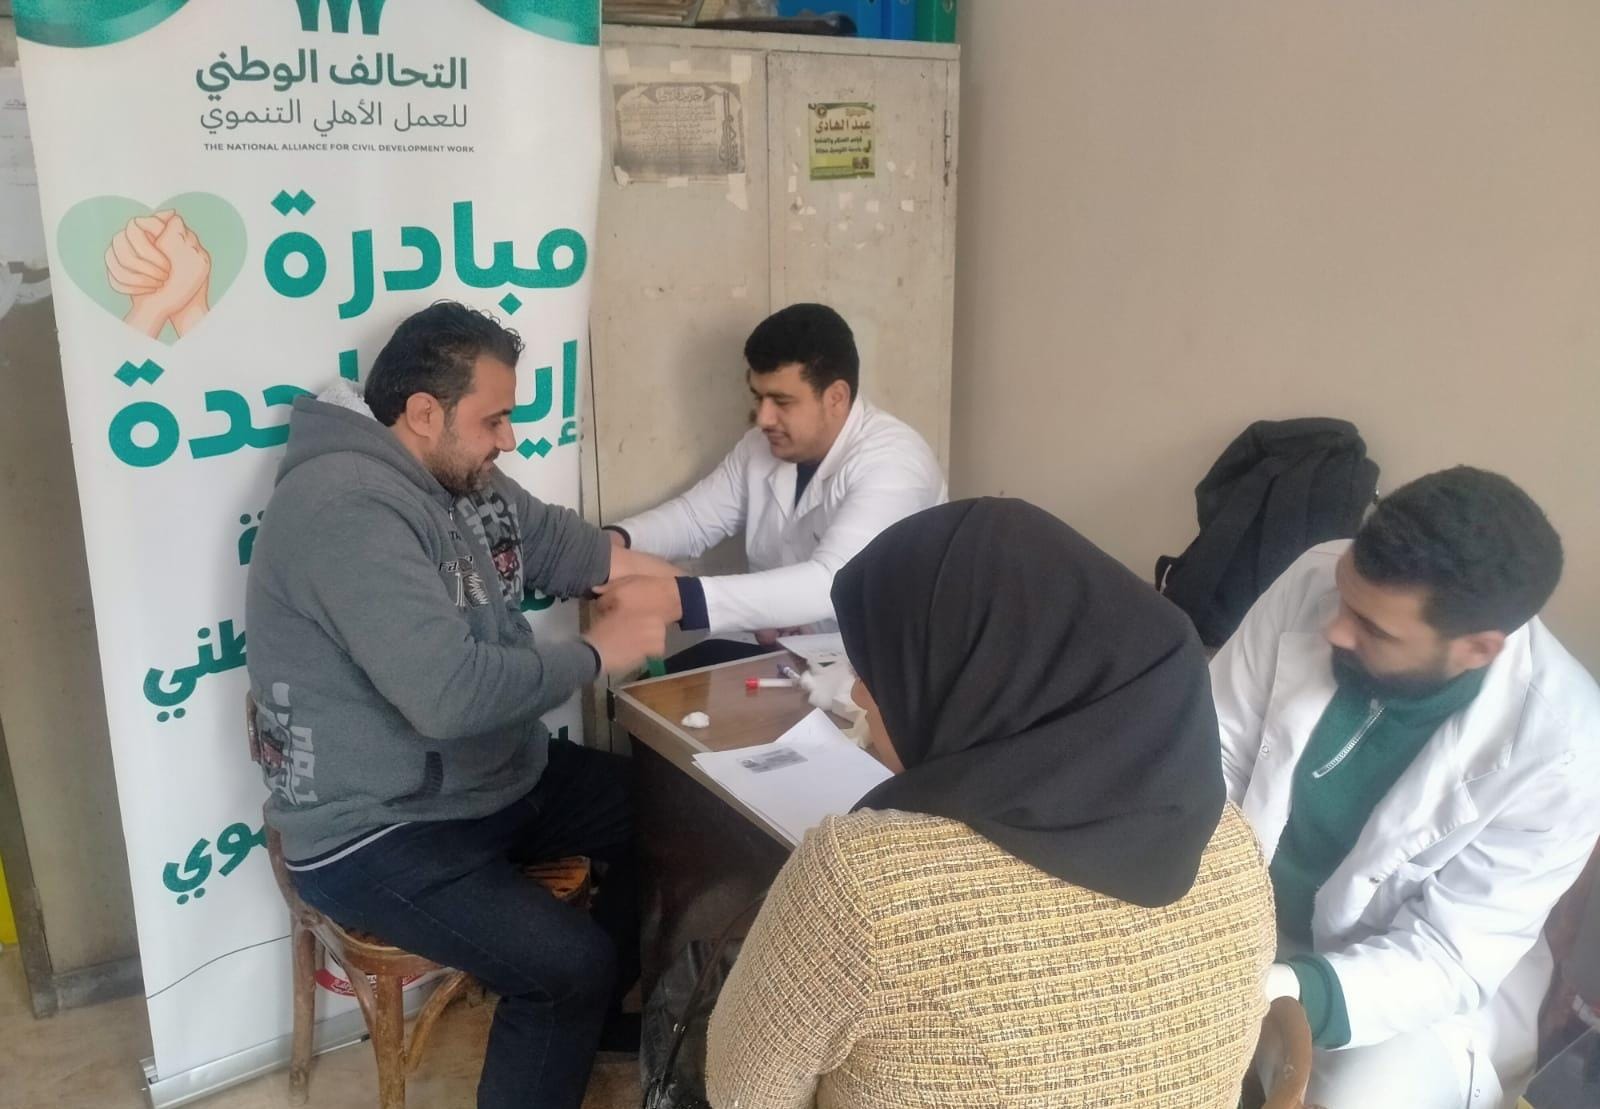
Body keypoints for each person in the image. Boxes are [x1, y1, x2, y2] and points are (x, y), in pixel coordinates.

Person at [245, 301, 679, 1109]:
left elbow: (574, 550)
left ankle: (588, 1026)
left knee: (670, 812)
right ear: (423, 412)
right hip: (376, 826)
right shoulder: (345, 507)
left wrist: (710, 596)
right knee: (566, 966)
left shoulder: (459, 477)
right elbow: (446, 695)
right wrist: (596, 654)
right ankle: (575, 1006)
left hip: (488, 780)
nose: (508, 438)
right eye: (494, 419)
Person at [706, 498, 1276, 1108]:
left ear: (977, 681)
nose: (863, 695)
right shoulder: (1233, 843)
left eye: (884, 669)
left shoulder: (861, 884)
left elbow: (743, 1096)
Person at [1209, 466, 1600, 1109]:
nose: (1335, 629)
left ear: (1478, 649)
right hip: (1242, 913)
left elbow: (1447, 953)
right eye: (1344, 597)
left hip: (1394, 983)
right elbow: (1213, 752)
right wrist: (1200, 920)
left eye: (1375, 629)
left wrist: (1279, 989)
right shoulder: (1316, 576)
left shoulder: (1565, 751)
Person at [598, 303, 945, 669]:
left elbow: (831, 582)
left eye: (781, 401)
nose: (763, 418)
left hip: (872, 670)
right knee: (652, 694)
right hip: (782, 652)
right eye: (758, 397)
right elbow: (694, 519)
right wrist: (610, 544)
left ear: (836, 397)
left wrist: (681, 598)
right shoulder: (762, 447)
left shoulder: (894, 463)